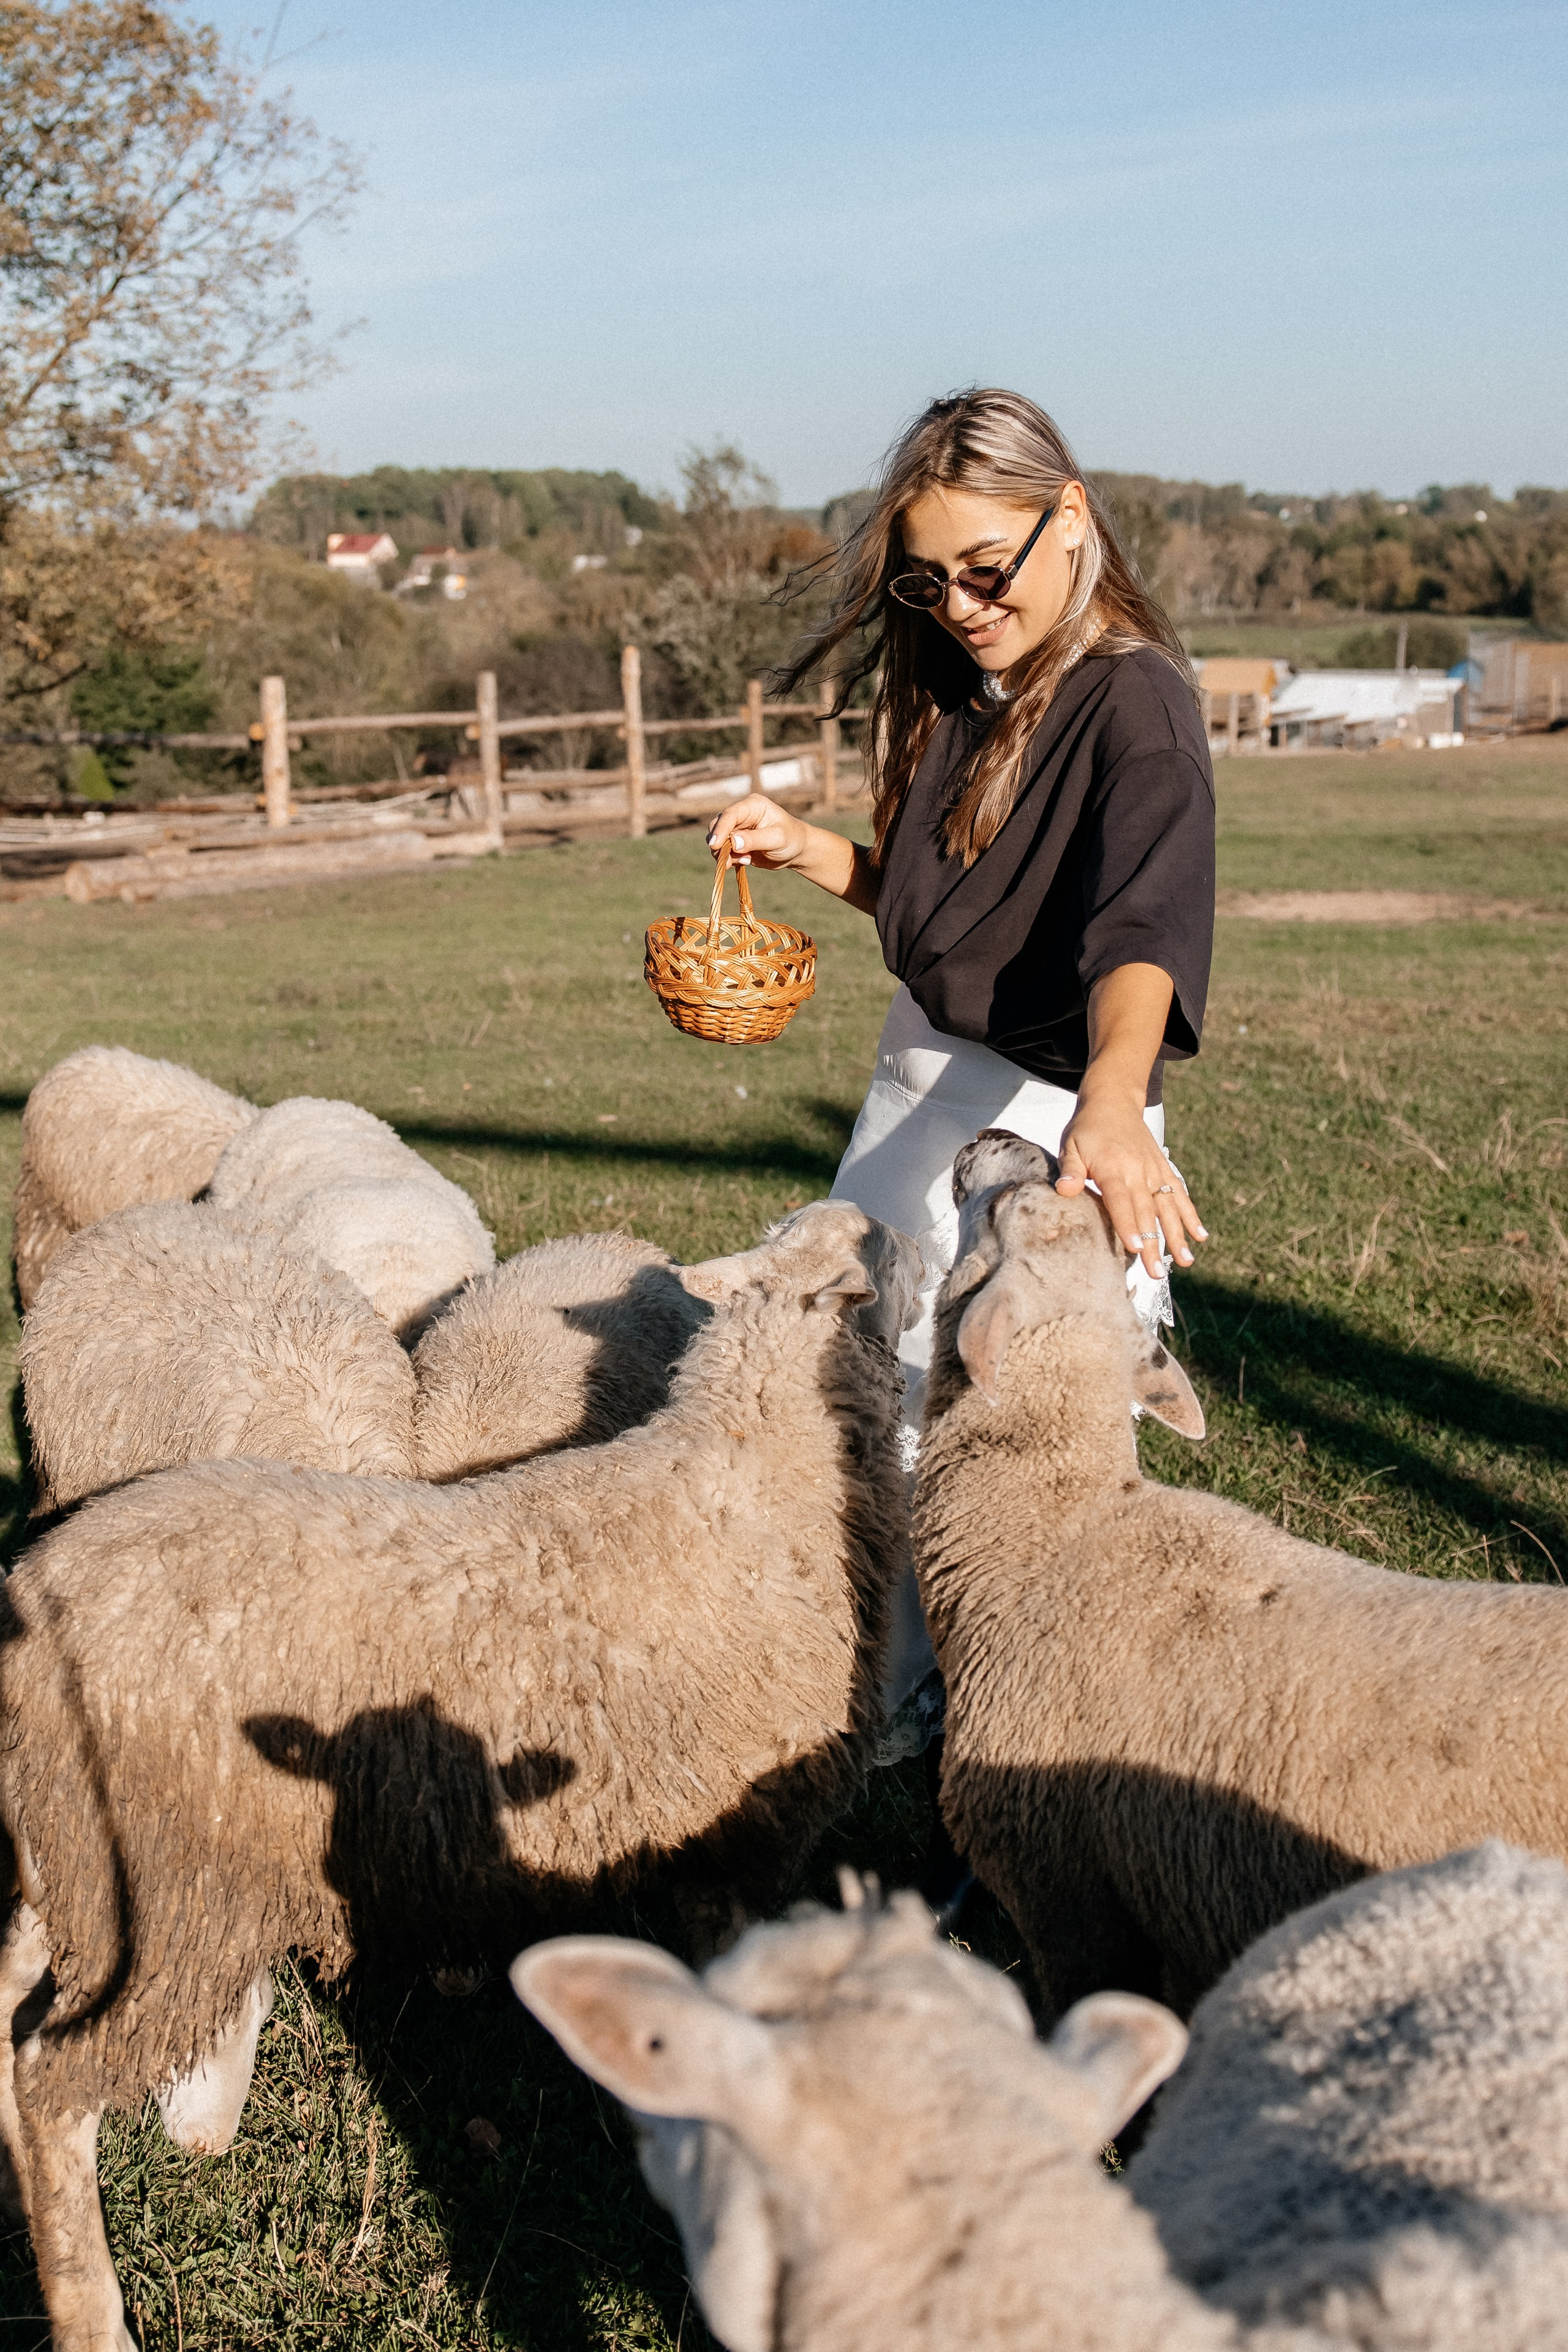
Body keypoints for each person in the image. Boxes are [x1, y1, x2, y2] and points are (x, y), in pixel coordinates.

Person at [707, 387, 1216, 1771]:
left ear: (1073, 522)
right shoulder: (967, 690)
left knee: (990, 1419)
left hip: (1050, 1105)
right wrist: (817, 855)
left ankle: (1014, 1728)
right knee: (862, 1381)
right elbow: (952, 917)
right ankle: (879, 1694)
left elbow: (1139, 931)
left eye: (984, 570)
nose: (959, 604)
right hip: (915, 1077)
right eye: (927, 582)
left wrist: (1112, 1098)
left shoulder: (1137, 710)